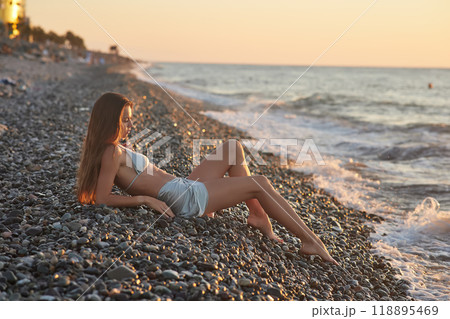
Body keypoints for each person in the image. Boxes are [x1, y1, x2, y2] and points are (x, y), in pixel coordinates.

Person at [76, 92, 338, 265]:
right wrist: (143, 200)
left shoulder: (112, 148)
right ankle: (311, 241)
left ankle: (258, 216)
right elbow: (101, 199)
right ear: (109, 121)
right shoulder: (111, 151)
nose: (130, 126)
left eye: (131, 121)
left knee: (233, 147)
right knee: (260, 184)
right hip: (184, 199)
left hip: (183, 187)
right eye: (125, 121)